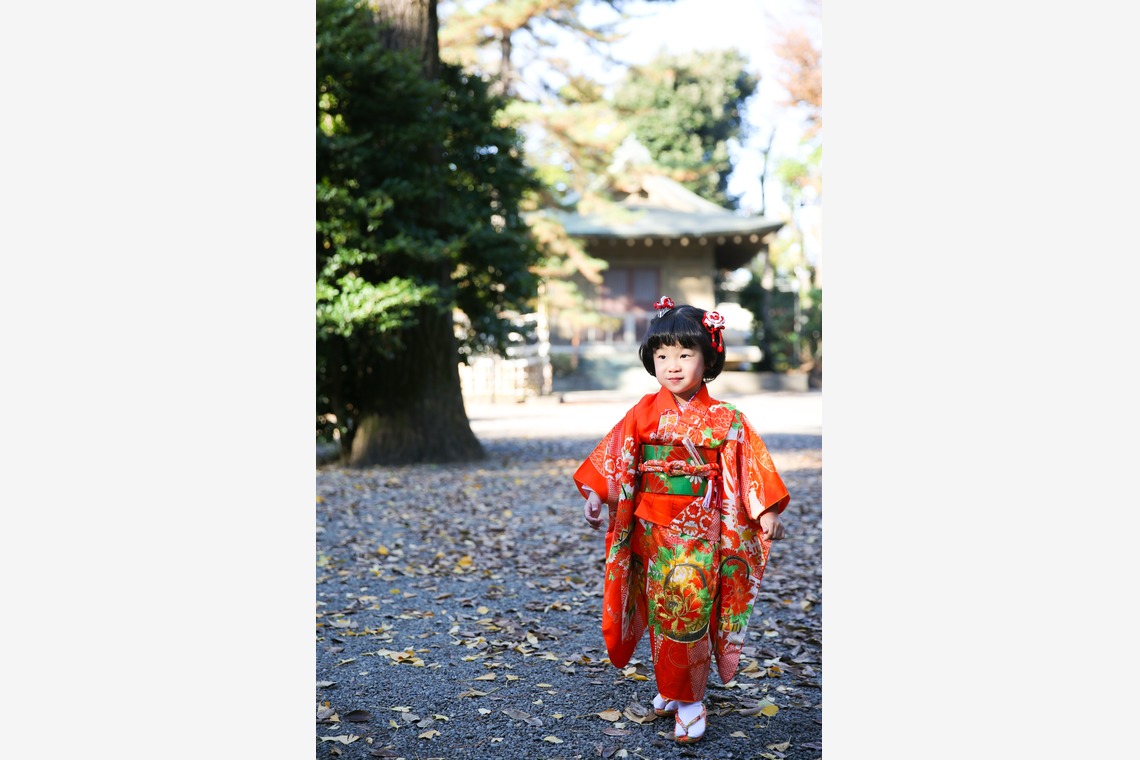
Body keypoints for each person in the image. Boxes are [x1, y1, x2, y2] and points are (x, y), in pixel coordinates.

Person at [572, 296, 789, 745]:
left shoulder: (726, 419)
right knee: (660, 609)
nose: (672, 365)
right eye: (662, 355)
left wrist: (764, 509)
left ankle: (689, 700)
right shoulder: (642, 412)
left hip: (699, 530)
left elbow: (749, 467)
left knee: (687, 608)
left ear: (708, 358)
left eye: (685, 354)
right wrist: (595, 493)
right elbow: (616, 460)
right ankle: (672, 687)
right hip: (649, 527)